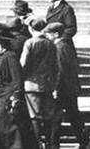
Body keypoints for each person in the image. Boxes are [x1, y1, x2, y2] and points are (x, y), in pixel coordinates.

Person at [0, 22, 40, 149]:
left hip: (7, 101)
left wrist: (15, 99)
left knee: (9, 132)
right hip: (0, 98)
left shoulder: (10, 57)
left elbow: (17, 80)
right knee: (0, 130)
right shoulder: (1, 56)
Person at [22, 19, 60, 149]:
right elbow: (56, 67)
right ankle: (49, 143)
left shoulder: (30, 43)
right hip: (47, 85)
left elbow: (23, 64)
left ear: (31, 29)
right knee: (48, 116)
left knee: (34, 116)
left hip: (31, 85)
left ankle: (37, 144)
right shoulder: (51, 44)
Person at [51, 22, 87, 149]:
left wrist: (55, 88)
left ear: (55, 34)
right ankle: (84, 141)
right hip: (70, 87)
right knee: (74, 116)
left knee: (55, 117)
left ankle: (54, 145)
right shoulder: (66, 46)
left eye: (49, 33)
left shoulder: (59, 47)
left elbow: (60, 70)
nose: (47, 36)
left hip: (62, 88)